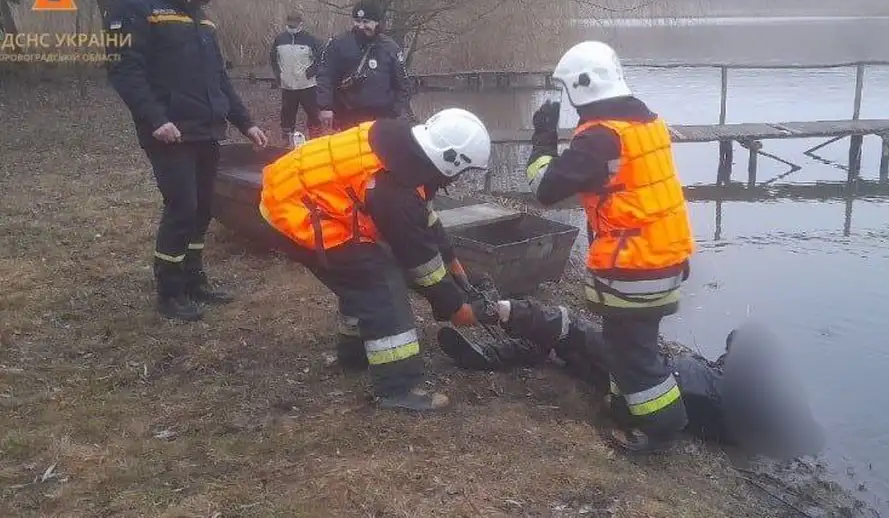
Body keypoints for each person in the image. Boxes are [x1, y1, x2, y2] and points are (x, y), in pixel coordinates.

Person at [257, 108, 501, 410]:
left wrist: (453, 263)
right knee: (379, 282)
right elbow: (421, 265)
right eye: (463, 171)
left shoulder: (402, 146)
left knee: (360, 278)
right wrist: (455, 307)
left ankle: (354, 355)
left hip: (294, 190)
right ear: (451, 161)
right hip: (293, 211)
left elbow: (424, 218)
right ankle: (397, 387)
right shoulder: (393, 191)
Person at [524, 40, 696, 454]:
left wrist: (543, 142)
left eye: (567, 90)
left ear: (581, 87)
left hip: (633, 265)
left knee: (633, 353)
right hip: (666, 255)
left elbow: (545, 189)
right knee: (630, 344)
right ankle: (626, 408)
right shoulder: (645, 121)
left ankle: (662, 427)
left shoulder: (600, 138)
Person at [104, 0, 269, 323]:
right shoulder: (132, 9)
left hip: (207, 128)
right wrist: (156, 118)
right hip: (170, 131)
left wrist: (245, 123)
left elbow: (219, 78)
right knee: (181, 207)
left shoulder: (201, 19)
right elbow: (125, 71)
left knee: (202, 208)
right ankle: (170, 291)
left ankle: (195, 280)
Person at [437, 299, 826, 460]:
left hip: (648, 372)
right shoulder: (736, 416)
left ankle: (499, 314)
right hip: (645, 382)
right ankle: (500, 350)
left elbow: (744, 342)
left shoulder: (738, 390)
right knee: (571, 352)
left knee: (569, 328)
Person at [315, 1, 415, 130]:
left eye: (366, 22)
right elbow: (325, 76)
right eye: (357, 21)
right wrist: (325, 107)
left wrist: (395, 111)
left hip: (382, 118)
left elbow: (403, 84)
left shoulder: (391, 48)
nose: (361, 26)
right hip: (348, 116)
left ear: (377, 22)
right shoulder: (338, 44)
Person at [269, 10, 323, 143]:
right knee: (287, 115)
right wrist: (278, 75)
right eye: (289, 25)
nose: (291, 28)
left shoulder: (311, 40)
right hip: (287, 86)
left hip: (308, 85)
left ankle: (315, 140)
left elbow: (321, 59)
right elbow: (273, 59)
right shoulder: (280, 39)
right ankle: (287, 141)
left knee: (313, 114)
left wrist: (311, 72)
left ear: (301, 24)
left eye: (294, 25)